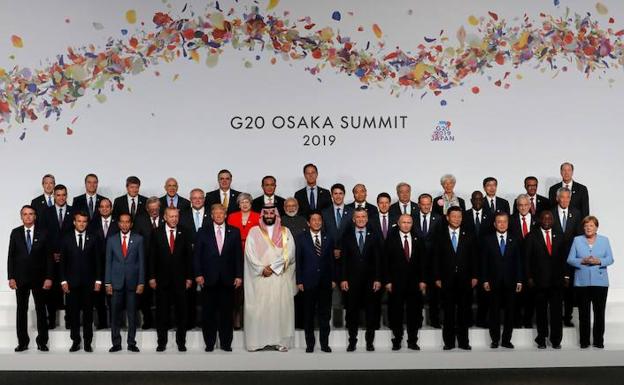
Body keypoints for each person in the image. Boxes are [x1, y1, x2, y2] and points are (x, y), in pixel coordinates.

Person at [243, 206, 297, 352]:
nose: (268, 215)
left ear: (276, 215)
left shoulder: (286, 232)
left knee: (280, 310)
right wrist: (261, 269)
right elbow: (249, 253)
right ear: (261, 215)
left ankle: (280, 342)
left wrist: (272, 267)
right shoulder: (254, 232)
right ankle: (257, 342)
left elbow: (290, 254)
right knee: (260, 310)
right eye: (266, 213)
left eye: (272, 212)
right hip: (261, 279)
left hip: (280, 278)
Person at [194, 204, 243, 352]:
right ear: (212, 215)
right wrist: (198, 274)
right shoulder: (203, 232)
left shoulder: (234, 232)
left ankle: (226, 343)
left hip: (228, 279)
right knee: (208, 313)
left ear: (225, 215)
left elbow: (238, 257)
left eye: (222, 213)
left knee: (226, 313)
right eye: (216, 213)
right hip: (208, 279)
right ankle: (209, 343)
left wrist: (239, 275)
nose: (219, 216)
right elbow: (197, 256)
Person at [7, 205, 53, 352]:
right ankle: (22, 342)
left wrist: (49, 277)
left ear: (35, 216)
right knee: (21, 310)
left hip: (39, 278)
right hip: (20, 278)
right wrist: (11, 277)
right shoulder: (15, 233)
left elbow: (49, 258)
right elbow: (11, 257)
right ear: (21, 217)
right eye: (25, 214)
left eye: (31, 214)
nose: (28, 216)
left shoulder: (44, 233)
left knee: (41, 310)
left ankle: (42, 342)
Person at [433, 206, 478, 350]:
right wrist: (437, 277)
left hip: (465, 279)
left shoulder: (469, 234)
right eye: (454, 216)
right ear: (447, 217)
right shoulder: (439, 235)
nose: (457, 219)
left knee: (464, 311)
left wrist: (475, 276)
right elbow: (435, 259)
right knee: (448, 312)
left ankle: (464, 342)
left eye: (459, 216)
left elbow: (474, 257)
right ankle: (449, 342)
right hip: (446, 280)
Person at [149, 207, 193, 352]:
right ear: (165, 217)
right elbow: (151, 258)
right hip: (162, 280)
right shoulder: (156, 232)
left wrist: (188, 277)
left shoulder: (185, 232)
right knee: (162, 313)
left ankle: (181, 342)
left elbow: (189, 257)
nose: (174, 219)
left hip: (181, 280)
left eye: (176, 216)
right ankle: (162, 342)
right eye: (171, 216)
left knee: (182, 313)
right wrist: (152, 277)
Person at [59, 211, 103, 352]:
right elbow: (62, 263)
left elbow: (98, 261)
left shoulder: (94, 238)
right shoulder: (66, 238)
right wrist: (63, 281)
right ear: (74, 222)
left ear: (87, 223)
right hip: (71, 284)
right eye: (79, 221)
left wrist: (98, 281)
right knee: (73, 315)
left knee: (88, 315)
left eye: (84, 221)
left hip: (89, 284)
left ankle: (87, 342)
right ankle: (75, 341)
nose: (82, 224)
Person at [567, 216, 614, 349]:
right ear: (583, 228)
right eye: (586, 226)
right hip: (582, 283)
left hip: (600, 283)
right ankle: (584, 341)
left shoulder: (604, 240)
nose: (588, 228)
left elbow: (610, 259)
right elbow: (570, 259)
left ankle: (599, 341)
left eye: (591, 225)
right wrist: (582, 261)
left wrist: (598, 261)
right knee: (584, 314)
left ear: (596, 227)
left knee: (599, 314)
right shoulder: (577, 240)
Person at [340, 208, 383, 352]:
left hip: (371, 281)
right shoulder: (346, 236)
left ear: (367, 218)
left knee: (371, 312)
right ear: (353, 219)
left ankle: (369, 342)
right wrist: (343, 278)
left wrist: (378, 278)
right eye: (358, 217)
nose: (360, 219)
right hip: (351, 281)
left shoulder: (375, 235)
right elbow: (343, 260)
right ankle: (352, 341)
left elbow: (378, 259)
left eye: (363, 216)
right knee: (352, 312)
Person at [525, 211, 566, 349]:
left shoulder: (560, 236)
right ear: (539, 220)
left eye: (549, 218)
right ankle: (541, 339)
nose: (547, 220)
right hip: (539, 281)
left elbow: (564, 258)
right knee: (541, 313)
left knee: (556, 313)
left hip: (556, 281)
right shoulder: (531, 236)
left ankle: (556, 340)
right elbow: (527, 260)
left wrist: (566, 276)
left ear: (553, 220)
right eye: (544, 218)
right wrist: (529, 277)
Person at [481, 212, 523, 349]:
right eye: (499, 221)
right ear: (494, 224)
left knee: (510, 313)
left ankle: (506, 340)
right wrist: (485, 280)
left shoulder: (515, 239)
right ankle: (495, 339)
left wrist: (519, 280)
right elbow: (484, 262)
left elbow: (519, 261)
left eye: (504, 221)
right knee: (494, 312)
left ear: (508, 223)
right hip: (493, 282)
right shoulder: (487, 240)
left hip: (511, 282)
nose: (502, 224)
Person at [296, 210, 335, 353]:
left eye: (319, 219)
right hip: (308, 282)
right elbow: (298, 261)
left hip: (325, 282)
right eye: (314, 219)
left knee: (325, 315)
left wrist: (332, 279)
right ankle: (310, 344)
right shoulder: (301, 238)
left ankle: (324, 344)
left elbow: (331, 261)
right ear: (308, 222)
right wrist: (299, 281)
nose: (317, 222)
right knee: (308, 315)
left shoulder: (328, 237)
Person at [385, 214, 426, 351]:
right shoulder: (390, 239)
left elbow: (422, 262)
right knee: (396, 312)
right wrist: (388, 281)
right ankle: (397, 340)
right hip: (396, 283)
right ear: (398, 223)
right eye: (404, 222)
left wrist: (422, 280)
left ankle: (412, 340)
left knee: (414, 313)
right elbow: (386, 262)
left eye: (409, 222)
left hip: (414, 283)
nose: (406, 225)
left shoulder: (418, 239)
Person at [105, 213, 145, 353]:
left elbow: (141, 262)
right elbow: (108, 262)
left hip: (133, 284)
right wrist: (107, 283)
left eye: (127, 222)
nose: (124, 224)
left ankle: (131, 342)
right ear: (119, 224)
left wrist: (141, 282)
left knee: (132, 315)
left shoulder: (139, 239)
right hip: (115, 283)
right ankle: (116, 343)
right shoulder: (111, 240)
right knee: (115, 315)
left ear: (131, 224)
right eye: (122, 222)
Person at [227, 193, 260, 330]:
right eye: (242, 202)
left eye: (247, 202)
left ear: (251, 204)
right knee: (237, 289)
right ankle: (236, 318)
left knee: (253, 288)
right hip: (235, 254)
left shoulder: (258, 216)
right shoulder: (232, 216)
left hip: (253, 254)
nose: (245, 204)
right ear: (238, 204)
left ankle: (252, 319)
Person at [179, 188, 210, 330]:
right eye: (195, 198)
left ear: (204, 199)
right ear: (190, 200)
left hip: (208, 259)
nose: (197, 200)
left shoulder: (212, 214)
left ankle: (206, 322)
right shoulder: (183, 215)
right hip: (188, 259)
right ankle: (190, 322)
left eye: (200, 198)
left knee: (208, 293)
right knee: (189, 293)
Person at [551, 187, 582, 327]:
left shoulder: (576, 213)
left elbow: (579, 235)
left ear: (570, 198)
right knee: (556, 288)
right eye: (562, 197)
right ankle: (555, 317)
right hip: (553, 256)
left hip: (571, 255)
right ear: (557, 198)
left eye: (567, 197)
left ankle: (567, 317)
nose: (564, 200)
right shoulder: (550, 213)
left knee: (569, 288)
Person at [43, 184, 74, 329]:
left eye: (63, 195)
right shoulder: (46, 212)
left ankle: (69, 319)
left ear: (67, 196)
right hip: (52, 257)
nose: (61, 197)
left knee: (69, 289)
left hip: (69, 257)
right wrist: (52, 254)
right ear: (54, 195)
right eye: (58, 195)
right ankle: (51, 319)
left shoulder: (73, 211)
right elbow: (44, 236)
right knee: (52, 289)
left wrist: (65, 254)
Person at [132, 197, 163, 329]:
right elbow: (136, 241)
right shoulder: (140, 220)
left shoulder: (166, 218)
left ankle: (161, 320)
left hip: (163, 263)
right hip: (144, 262)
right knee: (145, 295)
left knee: (162, 294)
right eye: (151, 209)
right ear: (147, 209)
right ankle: (148, 320)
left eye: (156, 209)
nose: (154, 211)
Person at [413, 193, 443, 328]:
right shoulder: (412, 218)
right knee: (416, 293)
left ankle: (434, 320)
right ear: (419, 204)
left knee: (434, 294)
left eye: (428, 204)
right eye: (423, 204)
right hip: (415, 261)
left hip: (433, 261)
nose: (425, 206)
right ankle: (417, 320)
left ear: (431, 204)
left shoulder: (439, 218)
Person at [462, 190, 492, 328]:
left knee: (484, 293)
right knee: (467, 292)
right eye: (476, 199)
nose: (478, 201)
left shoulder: (490, 216)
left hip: (486, 260)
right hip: (468, 259)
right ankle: (467, 320)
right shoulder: (464, 215)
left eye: (480, 199)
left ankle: (481, 319)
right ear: (471, 200)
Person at [88, 198, 118, 329]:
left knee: (114, 296)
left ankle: (114, 323)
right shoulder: (92, 223)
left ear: (111, 208)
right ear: (98, 209)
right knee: (98, 296)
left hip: (115, 264)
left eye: (107, 206)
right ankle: (102, 323)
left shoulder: (118, 223)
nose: (105, 209)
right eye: (102, 206)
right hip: (97, 265)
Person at [509, 194, 537, 328]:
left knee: (531, 293)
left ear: (530, 206)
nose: (523, 207)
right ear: (517, 206)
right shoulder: (511, 219)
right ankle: (517, 320)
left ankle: (528, 319)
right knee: (516, 293)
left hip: (533, 263)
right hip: (515, 262)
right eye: (520, 205)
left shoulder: (538, 220)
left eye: (526, 205)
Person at [321, 183, 353, 258]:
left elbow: (353, 234)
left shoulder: (352, 212)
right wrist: (332, 249)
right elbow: (323, 233)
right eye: (335, 193)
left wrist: (342, 249)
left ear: (344, 195)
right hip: (329, 254)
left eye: (340, 193)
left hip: (348, 253)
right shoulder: (324, 213)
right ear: (331, 195)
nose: (338, 196)